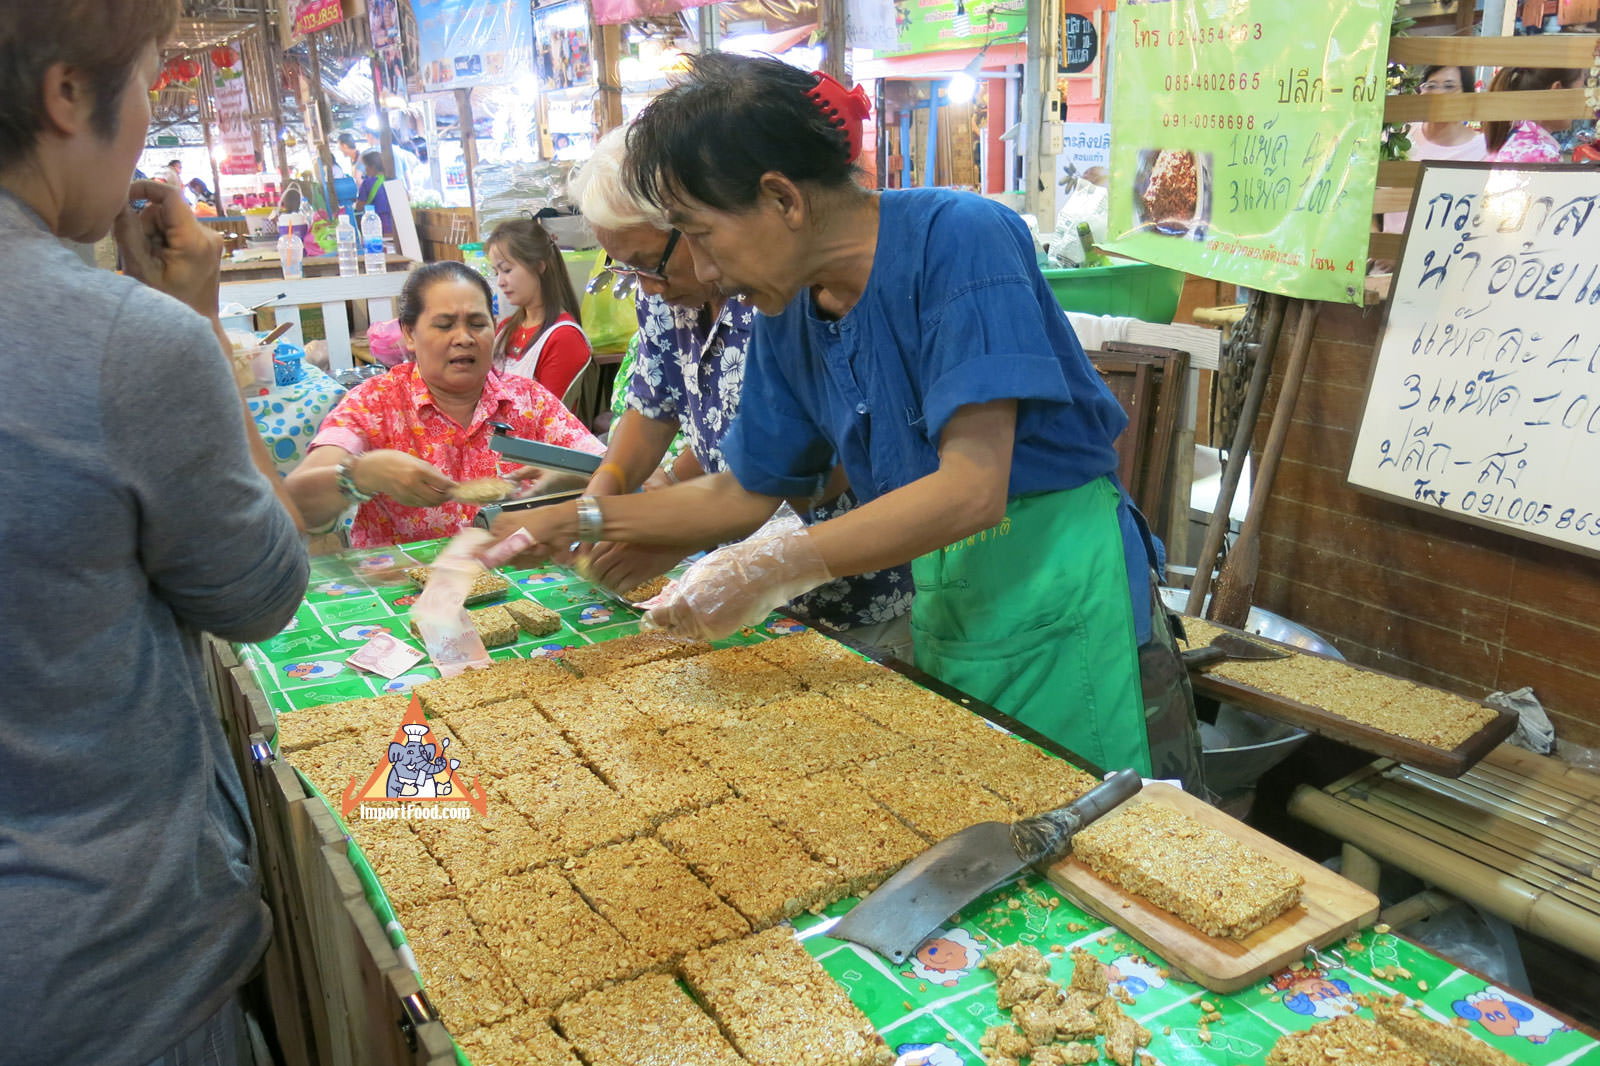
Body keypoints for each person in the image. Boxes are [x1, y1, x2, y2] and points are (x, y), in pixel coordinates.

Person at [498, 54, 1200, 782]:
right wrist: (583, 521)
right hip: (949, 588)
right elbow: (742, 492)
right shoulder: (787, 311)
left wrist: (773, 564)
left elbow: (971, 488)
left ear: (782, 199)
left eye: (701, 235)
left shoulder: (961, 238)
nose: (704, 273)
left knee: (1090, 822)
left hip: (1058, 587)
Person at [0, 4, 309, 1065]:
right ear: (68, 96)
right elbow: (262, 592)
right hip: (101, 970)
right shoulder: (130, 343)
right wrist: (197, 324)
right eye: (145, 85)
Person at [565, 125, 914, 653]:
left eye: (649, 262)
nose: (645, 286)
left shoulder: (780, 288)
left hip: (852, 579)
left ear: (691, 224)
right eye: (627, 269)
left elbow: (828, 462)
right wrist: (603, 495)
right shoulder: (663, 293)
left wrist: (687, 531)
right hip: (739, 581)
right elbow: (651, 408)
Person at [285, 260, 603, 547]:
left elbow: (614, 470)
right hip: (402, 590)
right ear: (409, 333)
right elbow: (297, 502)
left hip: (518, 580)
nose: (464, 337)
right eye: (445, 324)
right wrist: (363, 474)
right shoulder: (374, 403)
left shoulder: (528, 401)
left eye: (477, 324)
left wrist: (571, 476)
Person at [484, 215, 599, 421]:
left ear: (539, 266)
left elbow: (545, 421)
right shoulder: (505, 329)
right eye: (496, 272)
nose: (500, 282)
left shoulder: (564, 338)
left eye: (507, 270)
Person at [1381, 65, 1487, 233]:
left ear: (1467, 95)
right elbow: (1368, 192)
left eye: (1449, 86)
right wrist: (1378, 244)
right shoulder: (1399, 135)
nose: (1438, 93)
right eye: (1431, 86)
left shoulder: (1483, 151)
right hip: (1387, 251)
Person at [1486, 66, 1587, 162]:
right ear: (1557, 92)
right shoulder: (1543, 155)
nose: (1583, 101)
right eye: (1579, 93)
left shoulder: (1512, 137)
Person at [357, 148, 395, 235]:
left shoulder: (367, 183)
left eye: (366, 166)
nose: (365, 170)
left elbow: (359, 206)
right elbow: (407, 197)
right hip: (395, 222)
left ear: (373, 166)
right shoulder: (393, 180)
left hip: (376, 223)